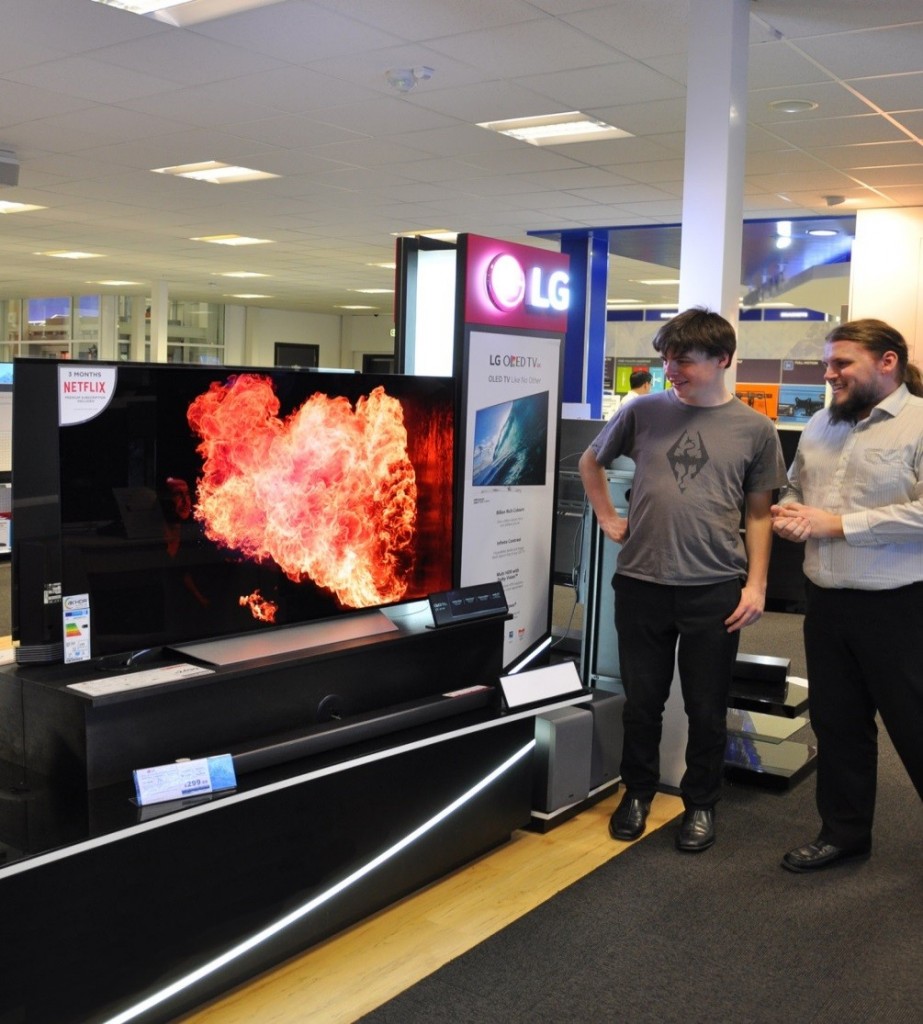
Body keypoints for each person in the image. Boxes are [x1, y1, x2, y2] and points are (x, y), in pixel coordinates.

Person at [579, 307, 786, 852]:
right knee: (642, 702)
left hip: (715, 587)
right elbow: (590, 462)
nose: (671, 368)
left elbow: (759, 513)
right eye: (666, 357)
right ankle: (638, 793)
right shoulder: (643, 412)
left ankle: (701, 804)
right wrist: (606, 516)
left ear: (722, 359)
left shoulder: (755, 429)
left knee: (705, 705)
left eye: (684, 359)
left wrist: (757, 585)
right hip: (642, 583)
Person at [771, 318, 923, 873]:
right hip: (827, 603)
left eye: (841, 364)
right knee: (838, 724)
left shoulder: (918, 424)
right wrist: (788, 510)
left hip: (899, 605)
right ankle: (844, 833)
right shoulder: (818, 424)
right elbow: (795, 485)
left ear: (888, 362)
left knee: (914, 723)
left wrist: (837, 524)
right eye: (827, 363)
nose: (828, 373)